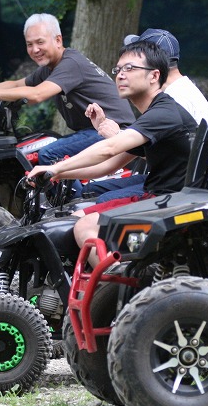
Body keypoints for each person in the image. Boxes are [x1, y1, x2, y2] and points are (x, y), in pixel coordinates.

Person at [26, 40, 196, 256]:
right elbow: (107, 165)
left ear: (154, 76)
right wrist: (57, 175)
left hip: (166, 203)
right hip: (161, 197)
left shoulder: (163, 113)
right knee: (69, 220)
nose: (120, 75)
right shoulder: (152, 115)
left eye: (130, 68)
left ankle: (116, 286)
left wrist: (55, 168)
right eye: (118, 69)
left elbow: (109, 148)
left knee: (84, 226)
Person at [0, 13, 134, 166]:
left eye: (40, 42)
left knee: (49, 154)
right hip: (95, 131)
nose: (35, 50)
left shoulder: (70, 64)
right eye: (29, 44)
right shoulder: (49, 68)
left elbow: (37, 94)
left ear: (58, 40)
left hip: (115, 131)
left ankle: (68, 202)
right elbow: (17, 85)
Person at [83, 27, 208, 202]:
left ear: (153, 61)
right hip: (173, 177)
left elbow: (171, 151)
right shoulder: (173, 91)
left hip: (187, 186)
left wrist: (116, 136)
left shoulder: (174, 99)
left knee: (103, 200)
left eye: (133, 61)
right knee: (91, 189)